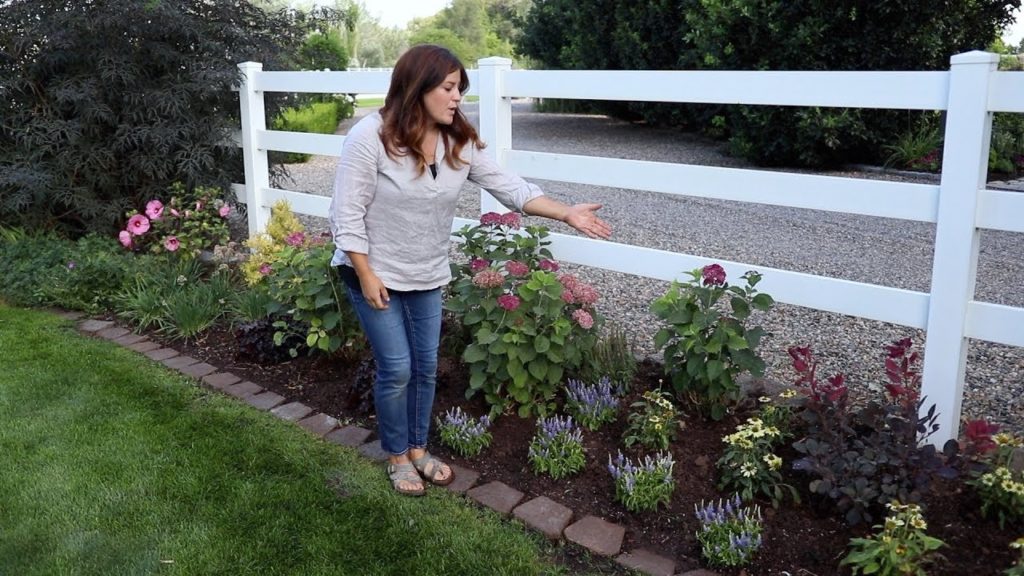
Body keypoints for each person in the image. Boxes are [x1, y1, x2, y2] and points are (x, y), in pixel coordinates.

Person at [329, 44, 612, 496]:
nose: (457, 96)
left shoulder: (456, 140)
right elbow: (346, 215)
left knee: (424, 367)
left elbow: (509, 187)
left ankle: (419, 449)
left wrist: (565, 213)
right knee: (397, 367)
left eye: (460, 87)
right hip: (372, 269)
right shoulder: (370, 136)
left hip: (426, 271)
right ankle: (397, 455)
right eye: (448, 87)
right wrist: (365, 273)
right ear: (417, 88)